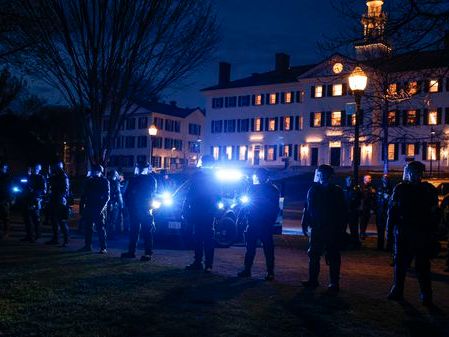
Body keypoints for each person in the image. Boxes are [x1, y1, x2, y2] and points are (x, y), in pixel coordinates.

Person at [387, 161, 439, 306]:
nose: (415, 175)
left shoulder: (428, 189)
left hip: (422, 231)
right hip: (404, 231)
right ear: (408, 173)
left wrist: (434, 232)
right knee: (400, 263)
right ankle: (398, 289)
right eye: (413, 172)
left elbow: (435, 213)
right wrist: (390, 232)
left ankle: (426, 294)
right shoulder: (400, 189)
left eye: (418, 172)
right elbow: (392, 212)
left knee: (422, 265)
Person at [302, 165, 347, 295]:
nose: (322, 176)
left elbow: (342, 211)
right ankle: (313, 280)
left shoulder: (336, 191)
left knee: (333, 255)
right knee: (314, 254)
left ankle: (334, 282)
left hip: (332, 228)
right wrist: (305, 222)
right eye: (320, 174)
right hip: (317, 227)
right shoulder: (313, 189)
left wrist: (341, 229)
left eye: (324, 174)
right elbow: (308, 207)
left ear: (330, 175)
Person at [237, 168, 280, 281]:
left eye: (261, 175)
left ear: (266, 177)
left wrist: (270, 221)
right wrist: (242, 216)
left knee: (267, 248)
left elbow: (275, 208)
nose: (259, 177)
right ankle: (247, 270)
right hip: (253, 221)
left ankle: (270, 272)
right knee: (251, 247)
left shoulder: (272, 190)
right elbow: (246, 204)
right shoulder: (253, 188)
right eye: (258, 175)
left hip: (264, 223)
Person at [183, 155, 220, 273]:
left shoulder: (201, 176)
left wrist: (186, 207)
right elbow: (218, 196)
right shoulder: (213, 176)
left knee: (202, 237)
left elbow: (190, 193)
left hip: (202, 210)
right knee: (202, 237)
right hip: (204, 210)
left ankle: (203, 263)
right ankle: (204, 264)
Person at [121, 161, 157, 261]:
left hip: (144, 208)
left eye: (141, 168)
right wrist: (128, 205)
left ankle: (148, 253)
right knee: (134, 231)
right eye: (139, 167)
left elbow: (149, 194)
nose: (139, 169)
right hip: (135, 209)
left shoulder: (150, 179)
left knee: (146, 231)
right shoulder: (134, 179)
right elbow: (127, 194)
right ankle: (131, 252)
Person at [79, 165, 110, 253]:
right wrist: (82, 208)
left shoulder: (104, 181)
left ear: (100, 171)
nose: (94, 172)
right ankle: (87, 246)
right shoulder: (90, 181)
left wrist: (101, 208)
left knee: (100, 228)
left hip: (98, 207)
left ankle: (103, 247)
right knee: (88, 228)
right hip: (90, 206)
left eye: (95, 170)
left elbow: (107, 197)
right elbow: (84, 195)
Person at [45, 163, 70, 246]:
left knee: (61, 221)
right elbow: (51, 186)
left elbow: (65, 189)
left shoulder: (63, 176)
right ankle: (56, 238)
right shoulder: (55, 175)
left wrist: (61, 197)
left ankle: (66, 240)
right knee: (54, 220)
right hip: (54, 199)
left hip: (59, 200)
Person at [21, 164, 46, 242]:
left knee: (35, 219)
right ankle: (29, 235)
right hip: (26, 200)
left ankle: (37, 235)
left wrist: (35, 193)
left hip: (35, 200)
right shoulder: (28, 176)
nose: (34, 170)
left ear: (39, 169)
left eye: (36, 169)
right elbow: (22, 185)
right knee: (27, 219)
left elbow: (43, 190)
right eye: (33, 168)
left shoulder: (41, 178)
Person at [343, 176, 362, 246]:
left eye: (351, 180)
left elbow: (360, 200)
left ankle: (355, 243)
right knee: (343, 228)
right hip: (345, 212)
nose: (350, 181)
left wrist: (358, 208)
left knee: (354, 228)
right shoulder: (343, 189)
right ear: (346, 181)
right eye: (348, 180)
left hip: (353, 211)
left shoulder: (356, 190)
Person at [375, 175, 392, 251]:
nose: (385, 180)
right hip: (380, 211)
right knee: (380, 230)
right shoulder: (379, 188)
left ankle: (389, 246)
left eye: (386, 179)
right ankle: (380, 246)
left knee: (389, 230)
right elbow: (375, 199)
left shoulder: (391, 189)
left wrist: (388, 197)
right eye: (384, 179)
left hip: (387, 212)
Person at [106, 169, 123, 238]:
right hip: (114, 203)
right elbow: (118, 194)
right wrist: (120, 204)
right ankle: (112, 234)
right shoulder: (115, 183)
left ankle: (111, 233)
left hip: (111, 203)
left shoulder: (109, 182)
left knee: (111, 219)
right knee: (113, 219)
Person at [359, 175, 376, 240]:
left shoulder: (370, 186)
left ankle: (363, 232)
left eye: (371, 178)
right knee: (363, 220)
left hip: (368, 206)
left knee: (366, 220)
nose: (370, 179)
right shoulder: (361, 186)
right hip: (362, 207)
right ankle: (362, 233)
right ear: (365, 179)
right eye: (369, 178)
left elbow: (372, 197)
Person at [0, 163, 12, 239]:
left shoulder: (7, 177)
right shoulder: (4, 177)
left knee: (5, 217)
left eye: (4, 168)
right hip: (2, 197)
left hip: (5, 199)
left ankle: (6, 232)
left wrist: (9, 199)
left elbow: (9, 189)